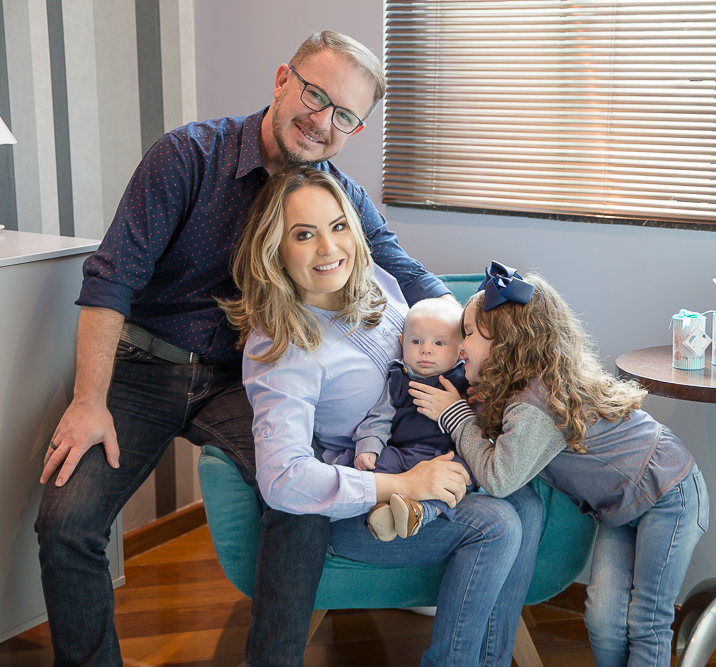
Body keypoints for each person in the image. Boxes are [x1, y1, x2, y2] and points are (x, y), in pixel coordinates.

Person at [34, 30, 460, 665]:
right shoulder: (185, 157)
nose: (321, 121)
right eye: (315, 95)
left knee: (300, 499)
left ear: (356, 129)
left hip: (245, 376)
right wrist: (89, 400)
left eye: (344, 114)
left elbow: (407, 271)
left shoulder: (340, 196)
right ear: (282, 78)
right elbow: (110, 279)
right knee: (66, 523)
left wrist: (483, 332)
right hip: (143, 367)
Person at [221, 168, 543, 666]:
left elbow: (438, 338)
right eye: (304, 235)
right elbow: (282, 480)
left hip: (433, 454)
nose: (329, 249)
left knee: (526, 504)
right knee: (496, 523)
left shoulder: (374, 284)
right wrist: (405, 486)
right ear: (274, 251)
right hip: (362, 499)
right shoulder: (281, 349)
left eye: (338, 226)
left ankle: (490, 660)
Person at [411, 262, 710, 667]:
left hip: (669, 493)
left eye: (468, 334)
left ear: (505, 342)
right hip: (621, 506)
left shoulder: (536, 402)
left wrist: (457, 416)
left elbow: (500, 478)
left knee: (646, 620)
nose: (460, 345)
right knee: (603, 618)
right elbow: (511, 447)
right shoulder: (519, 388)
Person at [352, 298, 476, 540]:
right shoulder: (398, 377)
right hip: (402, 451)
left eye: (439, 343)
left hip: (444, 455)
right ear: (402, 342)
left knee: (462, 473)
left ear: (460, 350)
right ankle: (381, 512)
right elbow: (379, 416)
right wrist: (368, 446)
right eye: (416, 341)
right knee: (382, 463)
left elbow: (477, 422)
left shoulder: (464, 380)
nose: (425, 350)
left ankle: (420, 512)